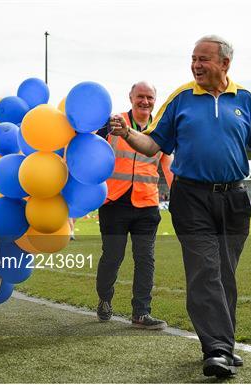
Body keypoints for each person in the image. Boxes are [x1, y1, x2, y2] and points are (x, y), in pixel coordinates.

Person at [109, 36, 251, 377]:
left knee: (224, 273)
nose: (196, 65)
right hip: (190, 197)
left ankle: (224, 341)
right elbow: (152, 144)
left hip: (234, 198)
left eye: (204, 59)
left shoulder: (247, 101)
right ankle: (218, 349)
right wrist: (125, 134)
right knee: (205, 269)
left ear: (225, 64)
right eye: (193, 59)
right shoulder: (180, 99)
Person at [95, 81, 173, 330]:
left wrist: (178, 195)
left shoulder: (162, 129)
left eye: (150, 97)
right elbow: (91, 150)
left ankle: (141, 312)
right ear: (130, 97)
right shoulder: (113, 122)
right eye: (140, 96)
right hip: (114, 201)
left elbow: (168, 166)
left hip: (147, 203)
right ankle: (105, 298)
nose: (145, 101)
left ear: (155, 99)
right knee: (112, 257)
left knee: (145, 259)